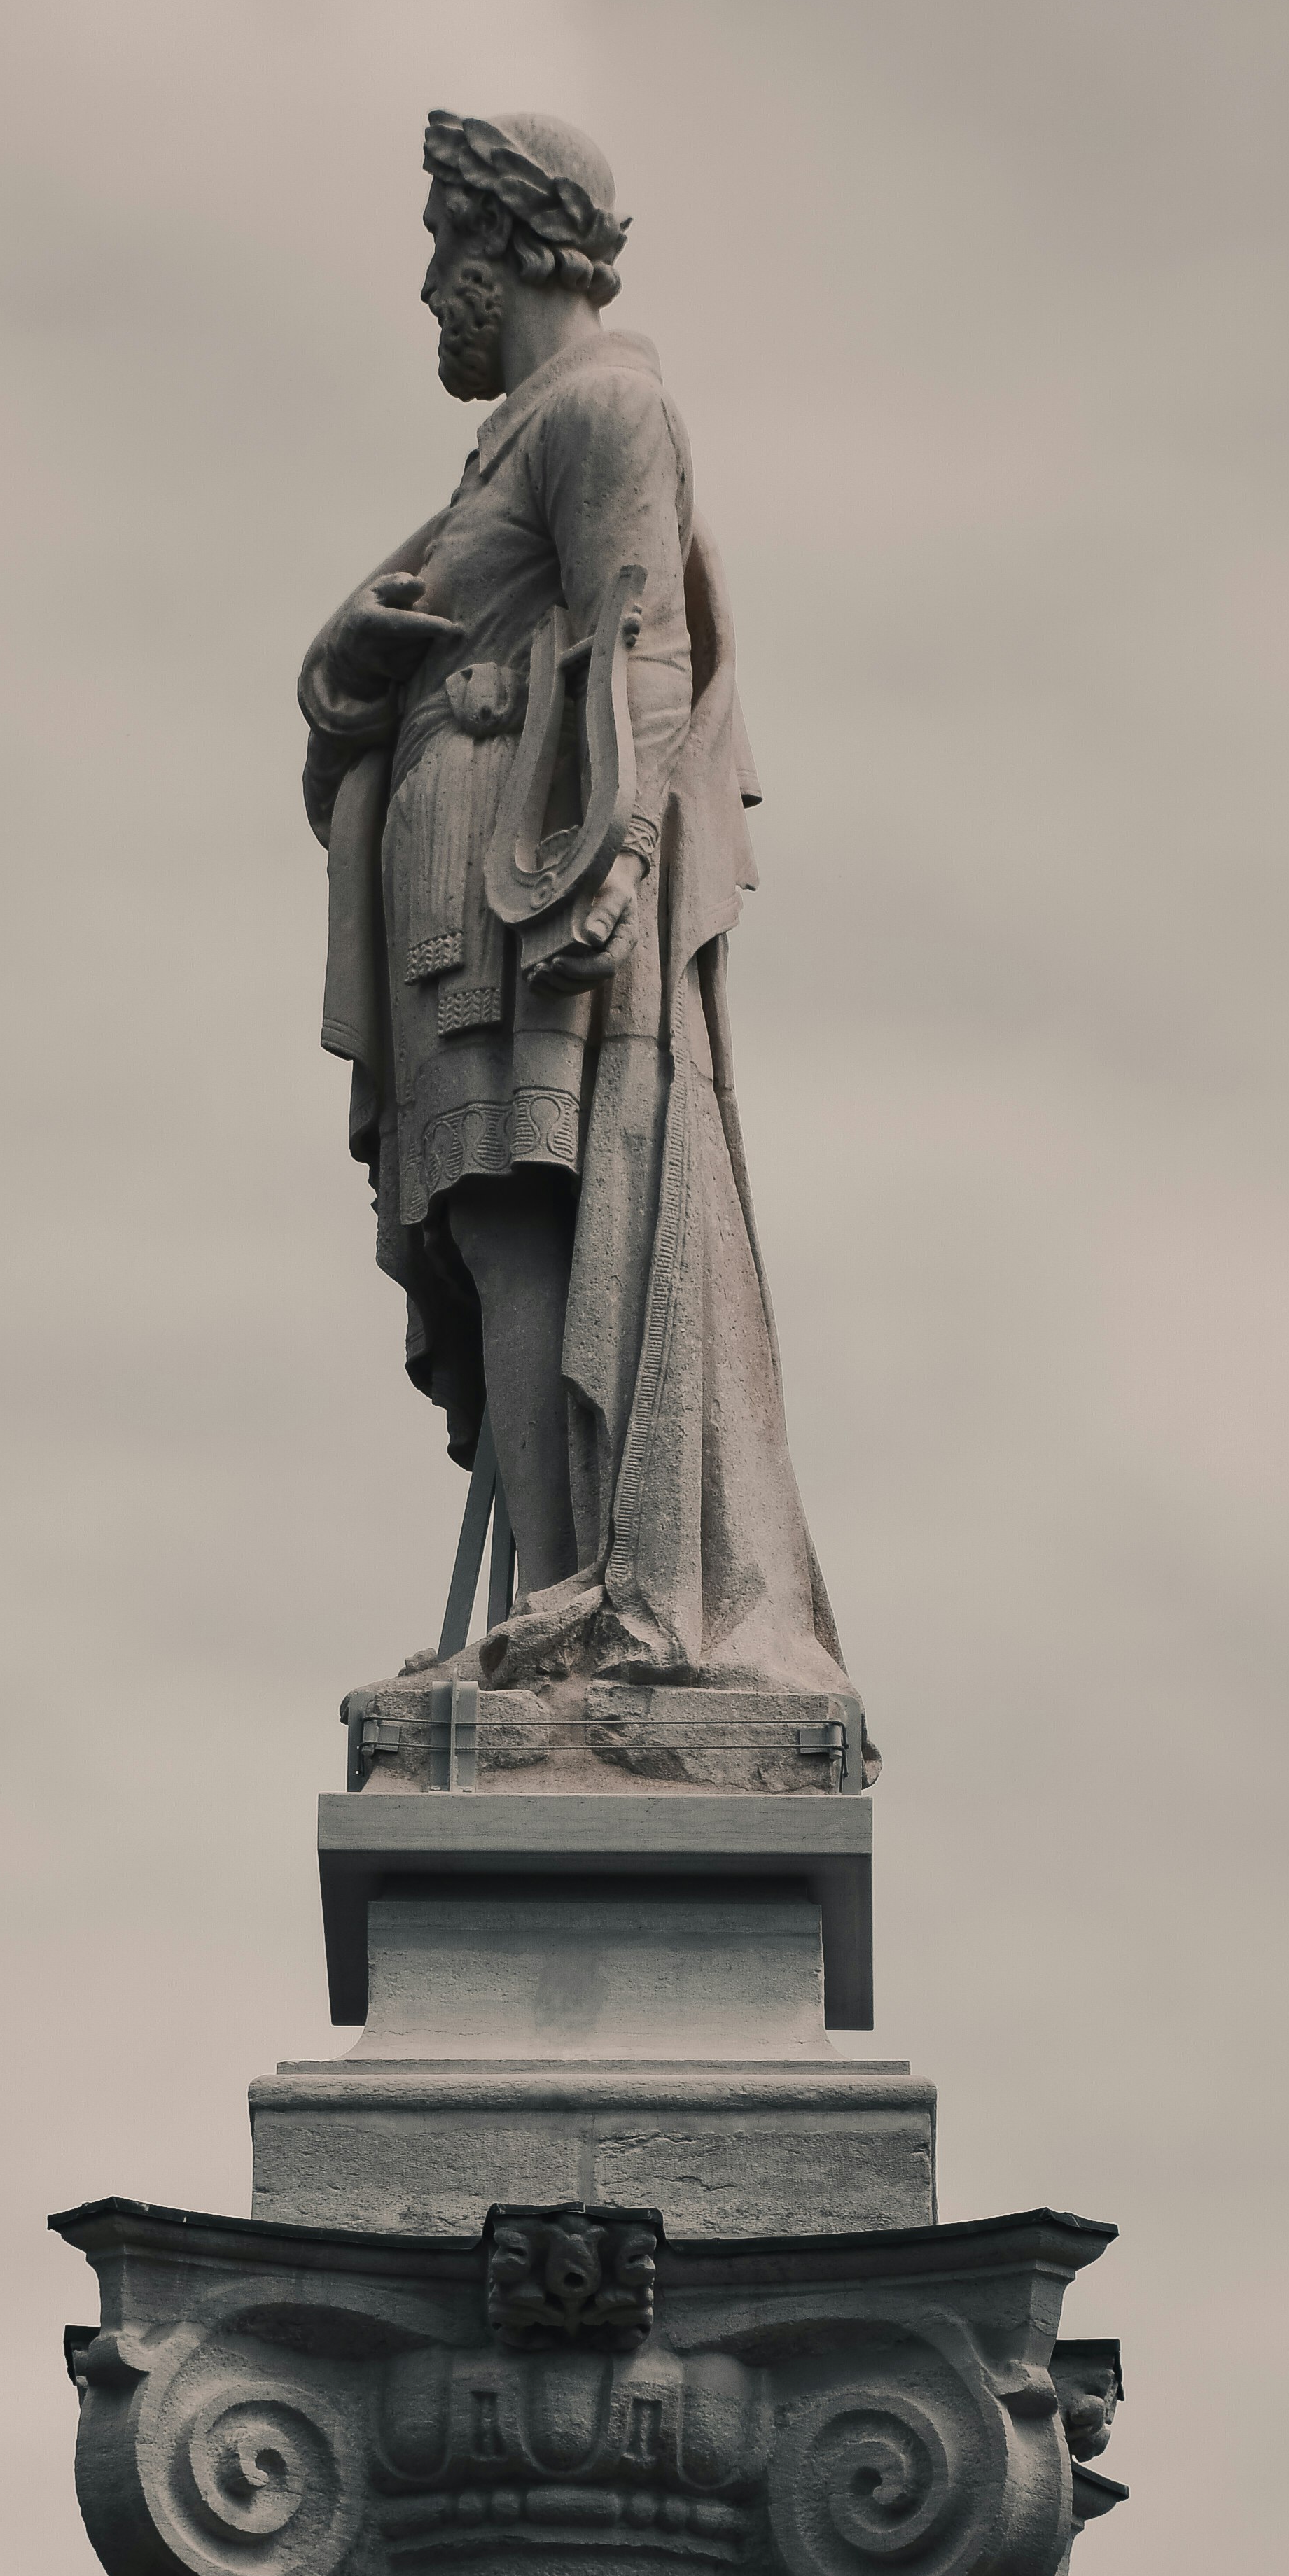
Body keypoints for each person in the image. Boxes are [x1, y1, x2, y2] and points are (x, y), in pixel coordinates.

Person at [300, 111, 851, 1701]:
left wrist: (604, 868)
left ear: (506, 246)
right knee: (486, 1215)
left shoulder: (604, 412)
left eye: (439, 257)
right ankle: (554, 1583)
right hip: (462, 875)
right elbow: (356, 672)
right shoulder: (509, 442)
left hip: (528, 880)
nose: (426, 297)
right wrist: (337, 663)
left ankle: (573, 1588)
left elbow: (646, 648)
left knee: (526, 1192)